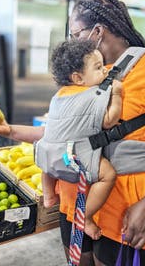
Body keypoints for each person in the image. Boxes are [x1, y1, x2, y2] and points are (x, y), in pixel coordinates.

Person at [0, 0, 145, 266]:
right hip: (77, 210)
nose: (72, 42)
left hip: (130, 214)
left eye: (75, 33)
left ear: (97, 32)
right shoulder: (81, 76)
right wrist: (8, 130)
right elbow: (62, 137)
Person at [37, 39, 120, 240]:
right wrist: (117, 93)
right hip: (71, 156)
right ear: (78, 78)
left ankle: (48, 196)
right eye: (99, 68)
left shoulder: (59, 96)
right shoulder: (91, 95)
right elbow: (109, 120)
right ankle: (84, 216)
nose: (106, 71)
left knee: (47, 164)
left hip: (46, 154)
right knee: (108, 175)